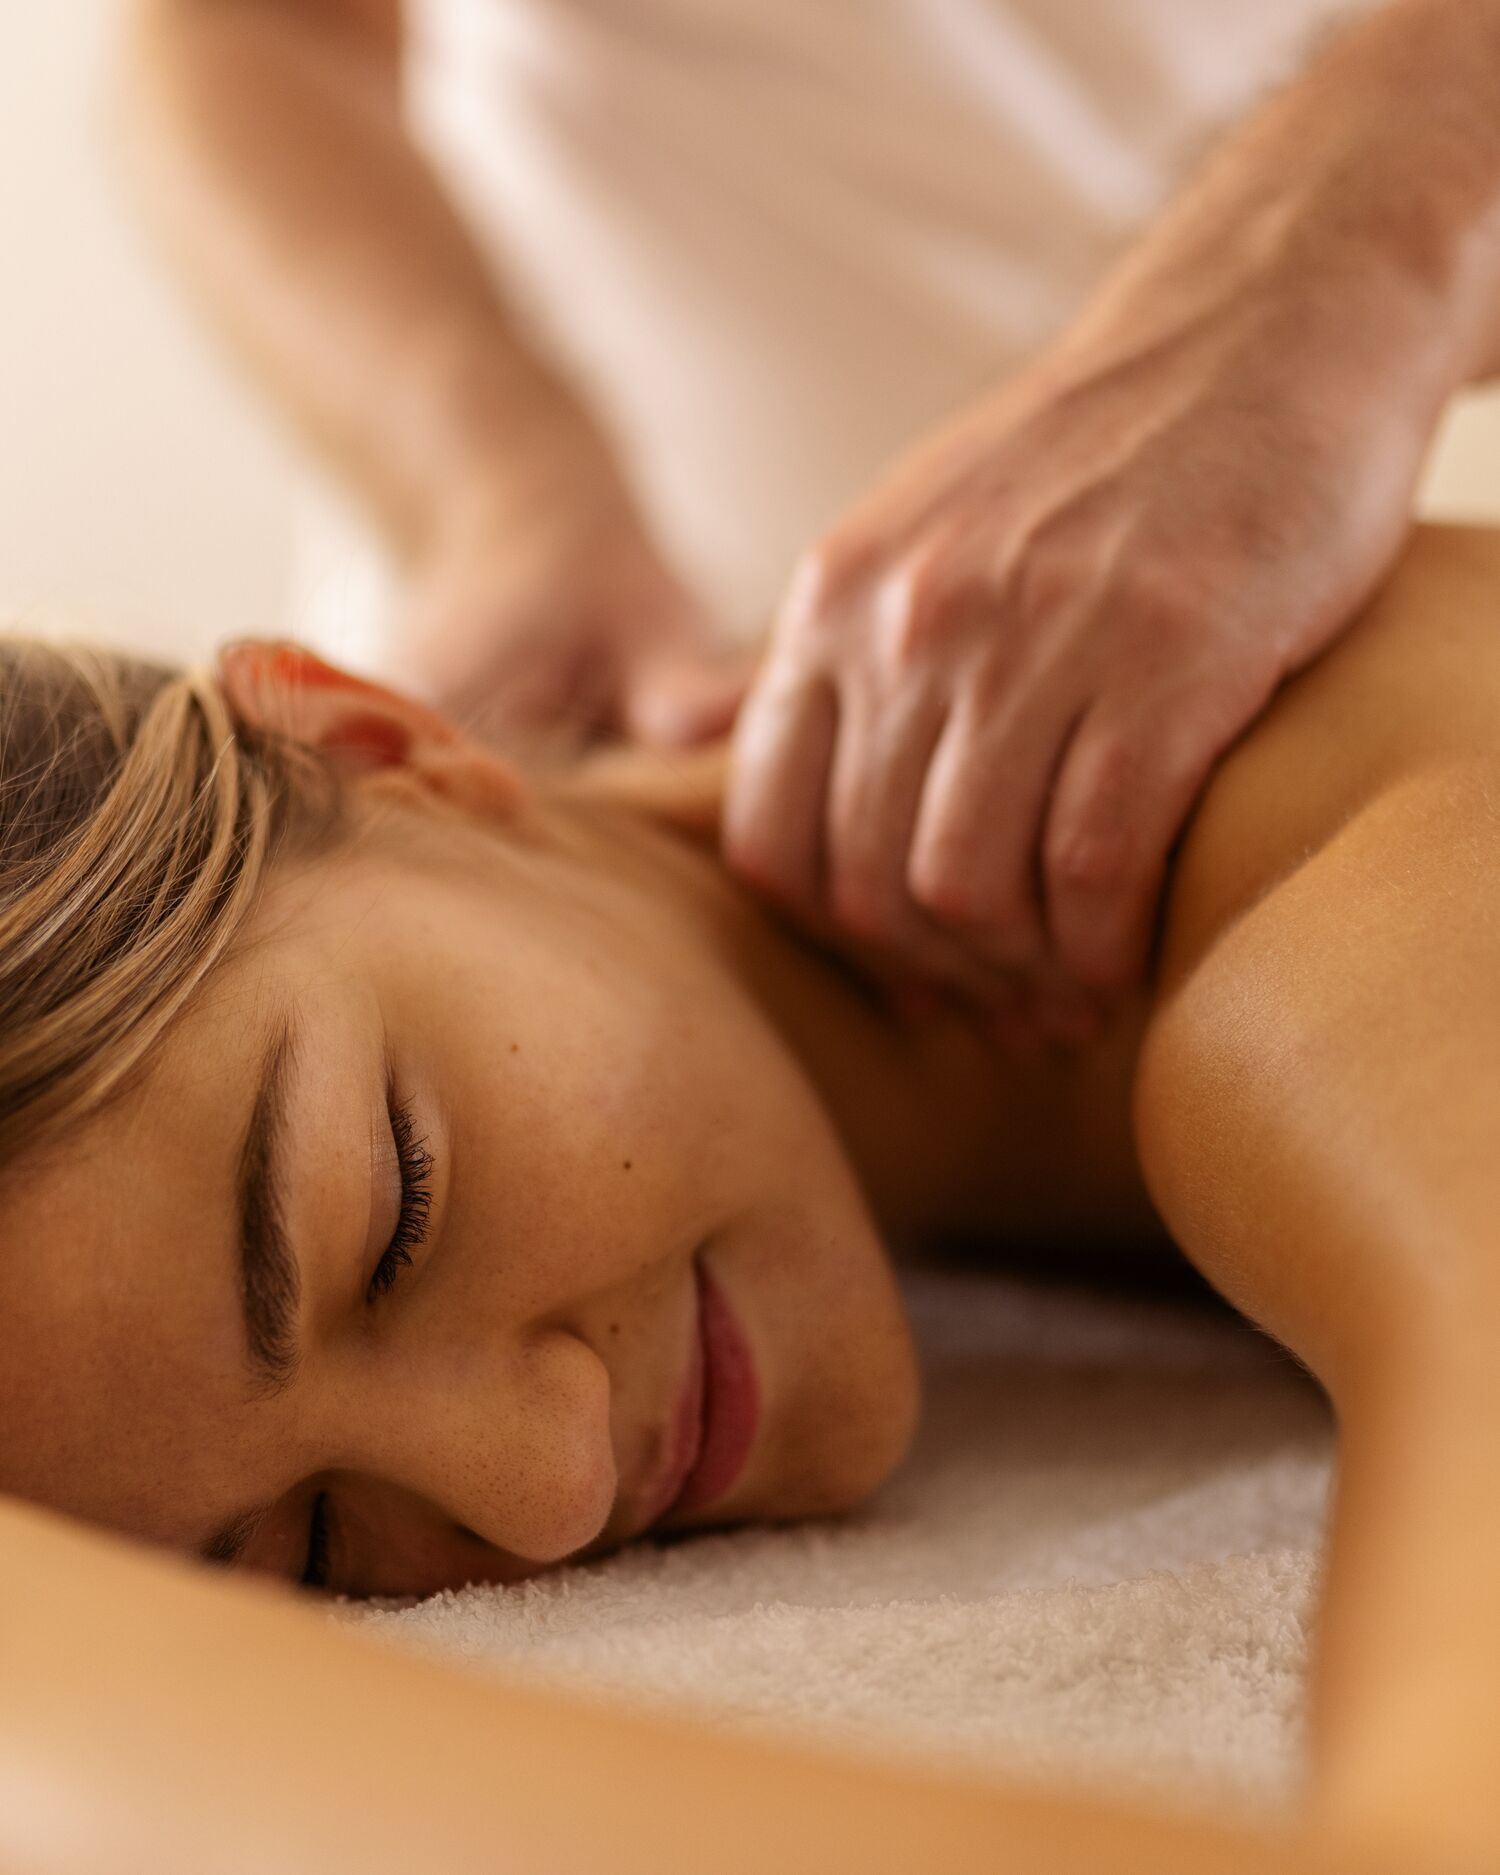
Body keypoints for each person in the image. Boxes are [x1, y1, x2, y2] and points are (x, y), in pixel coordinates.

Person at [5, 519, 1500, 1870]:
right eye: (314, 1547)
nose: (551, 1486)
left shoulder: (1357, 933)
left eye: (397, 1212)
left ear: (377, 746)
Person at [119, 0, 1500, 1052]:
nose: (545, 1445)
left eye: (403, 1211)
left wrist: (1363, 241)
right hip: (569, 694)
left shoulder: (1378, 888)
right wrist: (497, 485)